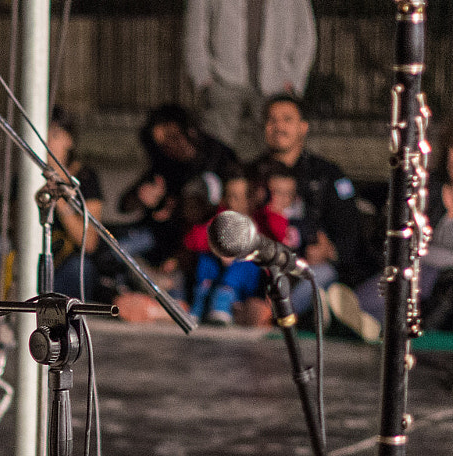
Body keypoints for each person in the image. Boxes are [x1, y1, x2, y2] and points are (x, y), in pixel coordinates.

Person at [327, 111, 453, 340]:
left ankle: (360, 313)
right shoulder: (426, 186)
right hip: (412, 267)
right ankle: (365, 319)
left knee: (422, 275)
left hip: (452, 285)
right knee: (405, 274)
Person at [0, 106, 105, 299]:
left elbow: (88, 243)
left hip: (65, 257)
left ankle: (41, 303)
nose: (48, 144)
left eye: (55, 136)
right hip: (29, 250)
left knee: (79, 270)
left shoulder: (85, 177)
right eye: (43, 136)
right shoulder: (25, 177)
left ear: (69, 140)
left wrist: (59, 200)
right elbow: (18, 232)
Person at [253, 94, 370, 317]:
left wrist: (330, 250)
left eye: (287, 119)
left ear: (303, 127)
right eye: (271, 120)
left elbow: (350, 233)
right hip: (261, 268)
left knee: (318, 277)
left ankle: (279, 315)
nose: (278, 126)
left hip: (310, 267)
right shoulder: (251, 174)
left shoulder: (327, 175)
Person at [106, 104, 239, 297]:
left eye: (172, 138)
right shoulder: (165, 162)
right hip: (164, 236)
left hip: (202, 240)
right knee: (115, 247)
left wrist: (174, 209)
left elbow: (221, 206)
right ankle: (136, 284)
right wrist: (142, 198)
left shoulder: (220, 157)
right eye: (161, 144)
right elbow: (125, 203)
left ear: (190, 132)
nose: (168, 148)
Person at [185, 0, 316, 159]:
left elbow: (305, 33)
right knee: (215, 147)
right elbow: (195, 29)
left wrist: (295, 80)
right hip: (223, 79)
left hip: (275, 82)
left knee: (272, 151)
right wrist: (202, 77)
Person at [185, 163, 291, 325]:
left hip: (250, 281)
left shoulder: (262, 219)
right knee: (206, 260)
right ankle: (201, 299)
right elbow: (194, 240)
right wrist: (216, 247)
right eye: (231, 196)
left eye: (240, 196)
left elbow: (277, 239)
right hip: (218, 275)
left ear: (252, 198)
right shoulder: (222, 218)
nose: (234, 203)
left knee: (243, 261)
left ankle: (223, 300)